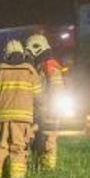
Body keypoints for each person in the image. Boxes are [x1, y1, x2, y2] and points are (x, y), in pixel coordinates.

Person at [0, 40, 42, 178]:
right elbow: (39, 96)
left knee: (1, 147)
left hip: (3, 116)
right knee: (18, 148)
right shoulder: (30, 70)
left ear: (6, 54)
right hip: (23, 118)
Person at [25, 33, 65, 170]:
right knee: (38, 141)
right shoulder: (40, 66)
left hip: (49, 112)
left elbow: (57, 91)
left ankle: (48, 170)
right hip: (42, 110)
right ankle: (38, 167)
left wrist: (52, 112)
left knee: (48, 142)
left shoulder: (50, 67)